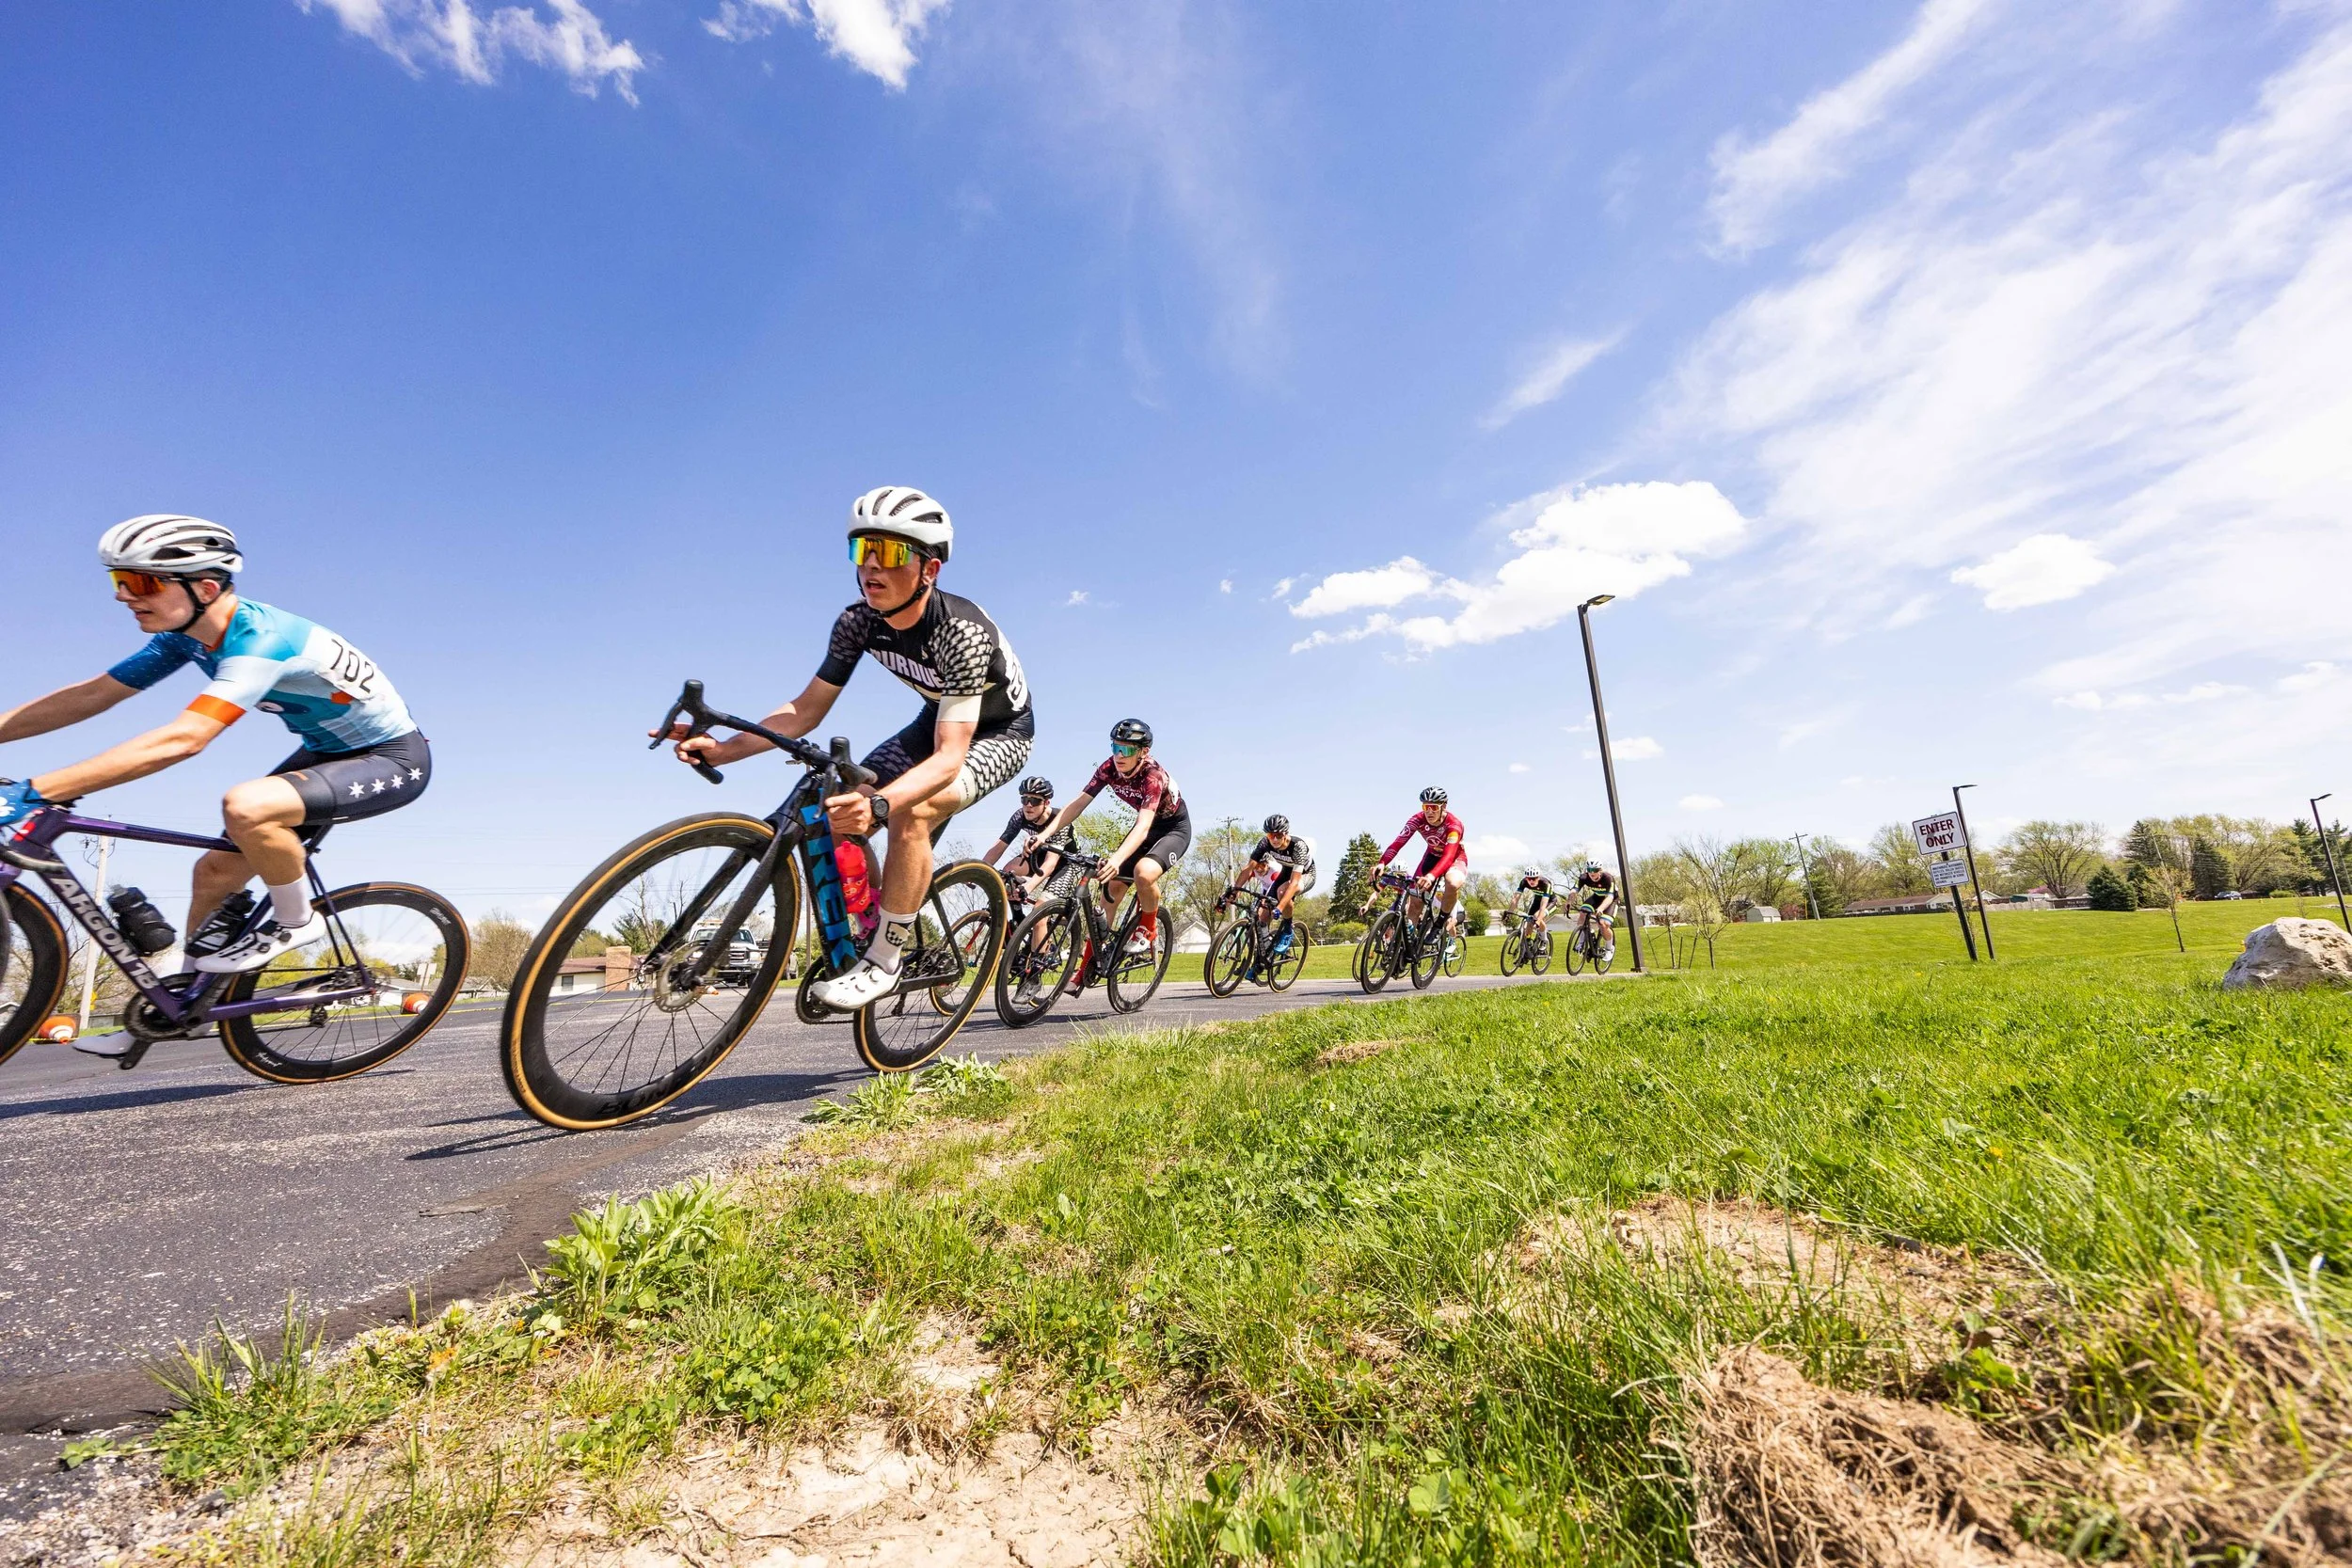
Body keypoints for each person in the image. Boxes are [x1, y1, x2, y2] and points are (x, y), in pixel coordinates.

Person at [0, 515, 429, 973]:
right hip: (325, 753)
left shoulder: (263, 642)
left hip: (390, 759)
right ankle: (186, 996)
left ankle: (297, 919)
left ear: (205, 589)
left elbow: (185, 739)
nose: (122, 595)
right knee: (214, 874)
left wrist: (36, 791)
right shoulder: (184, 640)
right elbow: (93, 695)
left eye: (141, 582)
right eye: (118, 580)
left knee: (246, 806)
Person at [663, 486, 1032, 1011]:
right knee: (840, 810)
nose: (872, 566)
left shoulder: (961, 632)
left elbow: (950, 757)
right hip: (934, 719)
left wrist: (882, 805)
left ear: (929, 570)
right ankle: (875, 922)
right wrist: (725, 750)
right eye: (863, 549)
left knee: (911, 810)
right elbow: (805, 709)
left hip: (999, 733)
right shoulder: (857, 622)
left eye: (891, 552)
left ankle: (885, 959)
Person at [1025, 718, 1188, 952]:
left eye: (1126, 750)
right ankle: (1090, 965)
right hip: (1147, 828)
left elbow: (1142, 826)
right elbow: (1078, 804)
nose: (1119, 755)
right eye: (1115, 747)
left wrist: (1116, 860)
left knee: (1143, 873)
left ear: (1143, 752)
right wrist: (1044, 835)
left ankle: (1149, 926)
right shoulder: (1109, 768)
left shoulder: (1153, 776)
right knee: (1111, 890)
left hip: (1173, 829)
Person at [1378, 786, 1468, 935]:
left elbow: (1449, 855)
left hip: (1454, 858)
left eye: (1434, 807)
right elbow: (1398, 843)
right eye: (1426, 807)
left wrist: (1431, 876)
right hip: (1431, 857)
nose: (1429, 812)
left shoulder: (1454, 824)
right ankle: (1405, 944)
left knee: (1452, 882)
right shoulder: (1417, 819)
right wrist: (1382, 863)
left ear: (1444, 806)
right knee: (1415, 903)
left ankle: (1439, 925)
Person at [979, 775, 1074, 907]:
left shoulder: (1058, 819)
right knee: (1008, 873)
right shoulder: (1020, 816)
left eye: (1035, 801)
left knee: (1040, 909)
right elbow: (999, 847)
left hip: (1066, 862)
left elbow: (1051, 863)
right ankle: (1017, 917)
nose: (1029, 805)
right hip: (1040, 855)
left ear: (1046, 803)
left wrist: (1028, 888)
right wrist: (979, 870)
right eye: (1025, 800)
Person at [1571, 858, 1619, 959]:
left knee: (1603, 924)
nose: (1592, 873)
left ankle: (1609, 949)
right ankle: (1582, 942)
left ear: (1600, 870)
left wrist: (1601, 909)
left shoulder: (1608, 878)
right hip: (1597, 897)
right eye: (1589, 870)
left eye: (1595, 870)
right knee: (1583, 913)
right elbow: (1574, 891)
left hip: (1611, 900)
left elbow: (1610, 897)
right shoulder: (1584, 877)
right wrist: (1569, 902)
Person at [1511, 869, 1557, 947]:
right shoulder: (1524, 882)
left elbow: (1543, 904)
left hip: (1550, 902)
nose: (1531, 881)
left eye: (1534, 878)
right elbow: (1516, 898)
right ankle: (1528, 941)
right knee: (1529, 920)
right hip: (1537, 901)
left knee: (1536, 916)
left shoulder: (1545, 883)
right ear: (1526, 878)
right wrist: (1510, 911)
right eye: (1529, 879)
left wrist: (1538, 920)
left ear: (1538, 878)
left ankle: (1544, 940)